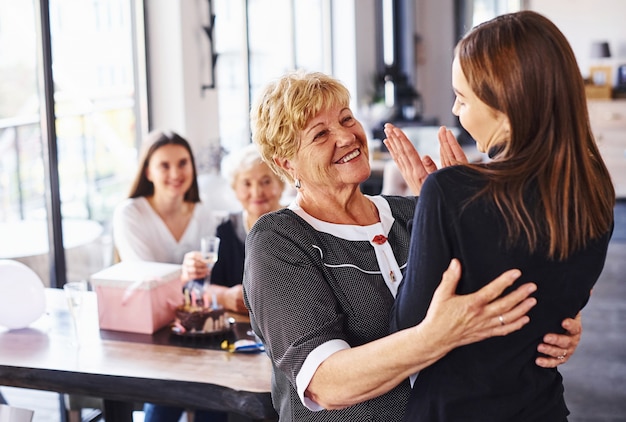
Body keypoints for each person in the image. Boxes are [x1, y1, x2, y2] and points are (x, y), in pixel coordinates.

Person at [242, 70, 583, 421]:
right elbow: (327, 384)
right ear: (286, 163)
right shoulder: (280, 239)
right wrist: (435, 337)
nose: (346, 136)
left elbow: (491, 296)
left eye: (346, 119)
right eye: (321, 134)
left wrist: (551, 320)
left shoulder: (413, 212)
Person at [389, 11, 615, 421]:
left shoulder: (448, 193)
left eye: (462, 98)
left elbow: (408, 331)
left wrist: (432, 207)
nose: (457, 111)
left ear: (505, 104)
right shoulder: (595, 189)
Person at [112, 129, 227, 422]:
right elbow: (144, 281)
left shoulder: (202, 212)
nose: (176, 173)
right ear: (148, 171)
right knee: (165, 404)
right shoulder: (130, 214)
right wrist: (185, 275)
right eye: (165, 165)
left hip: (193, 326)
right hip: (151, 330)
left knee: (215, 398)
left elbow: (206, 281)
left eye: (183, 163)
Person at [181, 142, 286, 312]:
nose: (257, 192)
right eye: (246, 183)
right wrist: (225, 296)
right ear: (235, 190)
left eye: (266, 181)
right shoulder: (225, 230)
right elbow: (200, 286)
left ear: (281, 184)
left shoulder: (298, 227)